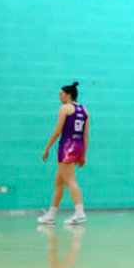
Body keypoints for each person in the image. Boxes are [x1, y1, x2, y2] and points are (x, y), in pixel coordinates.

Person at [37, 81, 89, 226]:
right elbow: (86, 135)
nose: (59, 96)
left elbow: (58, 131)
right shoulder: (85, 110)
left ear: (68, 95)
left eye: (61, 94)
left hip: (67, 146)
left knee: (70, 180)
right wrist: (84, 154)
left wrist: (47, 148)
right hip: (78, 146)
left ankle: (80, 213)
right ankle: (51, 215)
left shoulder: (65, 108)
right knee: (59, 181)